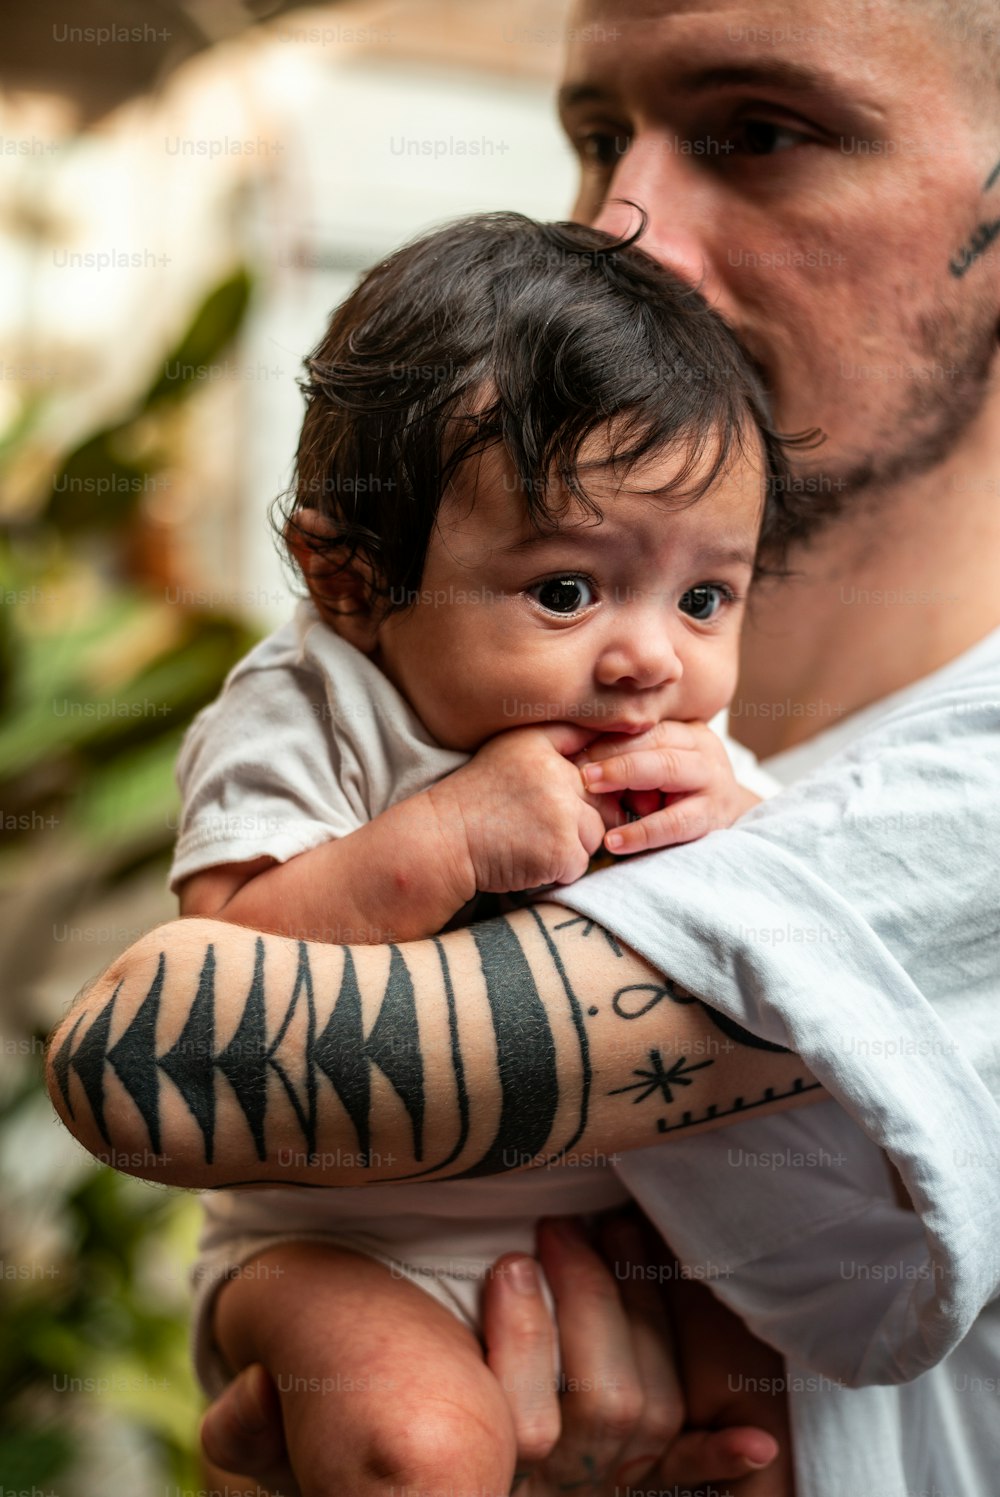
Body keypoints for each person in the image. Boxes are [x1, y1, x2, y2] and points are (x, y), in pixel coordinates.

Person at [45, 0, 1000, 1492]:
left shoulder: (944, 785)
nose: (630, 231)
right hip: (373, 1272)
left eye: (763, 131)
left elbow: (163, 1052)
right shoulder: (365, 688)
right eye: (597, 136)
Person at [161, 209, 799, 1497]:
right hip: (346, 1249)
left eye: (704, 597)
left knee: (779, 1408)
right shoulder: (310, 708)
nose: (651, 658)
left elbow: (792, 940)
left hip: (623, 1237)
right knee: (419, 1446)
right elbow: (214, 993)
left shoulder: (679, 731)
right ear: (349, 580)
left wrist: (733, 822)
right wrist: (444, 835)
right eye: (566, 590)